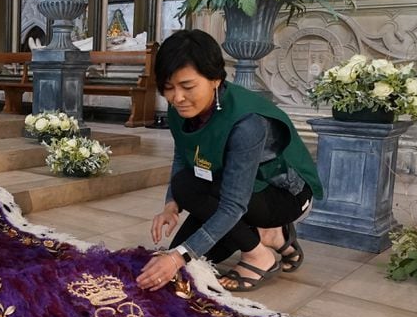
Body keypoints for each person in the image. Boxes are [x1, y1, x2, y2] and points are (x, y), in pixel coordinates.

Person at [136, 29, 324, 293]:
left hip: (285, 195)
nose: (177, 97)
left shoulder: (247, 124)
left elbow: (233, 204)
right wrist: (171, 206)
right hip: (234, 187)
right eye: (168, 88)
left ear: (215, 79)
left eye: (188, 86)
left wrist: (179, 256)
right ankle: (270, 235)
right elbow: (184, 152)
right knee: (186, 211)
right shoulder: (181, 106)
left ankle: (260, 255)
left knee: (181, 256)